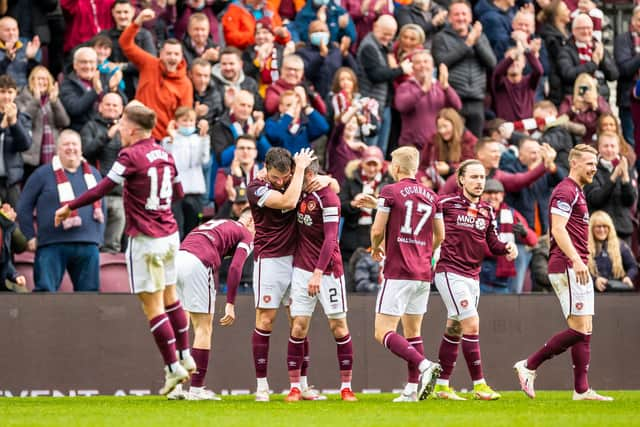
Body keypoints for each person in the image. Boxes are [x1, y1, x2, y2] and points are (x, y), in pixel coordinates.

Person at [54, 102, 195, 396]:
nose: (118, 129)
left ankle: (172, 368)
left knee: (153, 306)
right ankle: (185, 354)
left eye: (121, 124)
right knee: (172, 298)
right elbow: (180, 193)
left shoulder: (130, 155)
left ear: (131, 129)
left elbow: (104, 186)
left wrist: (70, 206)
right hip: (170, 235)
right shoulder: (166, 155)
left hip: (146, 239)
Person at [514, 144, 613, 401]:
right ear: (575, 164)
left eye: (595, 163)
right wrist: (577, 261)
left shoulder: (578, 192)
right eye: (590, 163)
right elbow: (557, 229)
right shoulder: (565, 190)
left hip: (576, 265)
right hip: (568, 265)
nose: (594, 168)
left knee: (585, 327)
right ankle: (529, 365)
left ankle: (581, 390)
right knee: (579, 330)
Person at [432, 159, 517, 400]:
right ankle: (479, 385)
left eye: (482, 177)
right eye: (474, 177)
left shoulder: (487, 210)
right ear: (461, 179)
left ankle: (442, 386)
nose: (479, 182)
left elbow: (494, 243)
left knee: (455, 328)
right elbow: (422, 218)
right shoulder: (445, 203)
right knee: (472, 324)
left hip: (473, 275)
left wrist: (508, 247)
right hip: (449, 271)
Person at [368, 146, 442, 402]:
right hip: (423, 272)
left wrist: (376, 247)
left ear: (396, 167)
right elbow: (440, 235)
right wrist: (422, 251)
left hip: (398, 270)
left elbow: (378, 230)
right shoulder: (433, 196)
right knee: (413, 332)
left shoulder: (389, 191)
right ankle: (412, 389)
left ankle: (424, 366)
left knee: (382, 331)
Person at [246, 147, 318, 402]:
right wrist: (298, 170)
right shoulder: (256, 187)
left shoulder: (293, 178)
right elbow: (287, 202)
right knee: (265, 321)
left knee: (299, 322)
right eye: (275, 177)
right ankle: (262, 386)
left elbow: (330, 184)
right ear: (265, 168)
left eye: (284, 177)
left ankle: (302, 385)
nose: (279, 182)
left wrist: (325, 179)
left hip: (297, 260)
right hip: (269, 261)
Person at [285, 159, 356, 402]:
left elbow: (330, 240)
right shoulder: (298, 192)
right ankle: (296, 387)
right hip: (301, 269)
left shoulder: (329, 199)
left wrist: (318, 272)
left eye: (299, 174)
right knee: (298, 327)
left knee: (339, 327)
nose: (294, 178)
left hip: (327, 272)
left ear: (311, 174)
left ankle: (346, 387)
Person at [169, 211, 255, 400]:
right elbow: (235, 267)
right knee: (203, 328)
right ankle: (196, 390)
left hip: (177, 260)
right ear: (249, 221)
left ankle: (176, 388)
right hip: (199, 263)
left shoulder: (218, 223)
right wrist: (230, 303)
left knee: (181, 328)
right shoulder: (246, 233)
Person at [17, 129, 104, 292]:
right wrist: (29, 235)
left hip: (88, 245)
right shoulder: (41, 174)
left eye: (74, 144)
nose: (71, 148)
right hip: (51, 244)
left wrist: (98, 236)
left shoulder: (94, 175)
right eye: (66, 144)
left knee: (89, 297)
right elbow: (24, 206)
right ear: (58, 149)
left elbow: (102, 205)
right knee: (45, 293)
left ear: (81, 148)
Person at [120, 8, 194, 141]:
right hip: (138, 135)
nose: (172, 57)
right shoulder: (149, 63)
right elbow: (125, 44)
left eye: (176, 54)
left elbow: (183, 116)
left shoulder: (186, 84)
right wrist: (138, 22)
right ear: (161, 54)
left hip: (164, 140)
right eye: (169, 53)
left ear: (182, 57)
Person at [432, 0, 497, 138]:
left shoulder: (480, 37)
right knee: (454, 141)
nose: (461, 18)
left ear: (471, 17)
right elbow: (442, 62)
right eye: (456, 14)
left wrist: (476, 40)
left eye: (464, 14)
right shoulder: (441, 38)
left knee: (474, 143)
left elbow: (491, 63)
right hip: (453, 98)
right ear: (450, 18)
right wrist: (468, 43)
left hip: (476, 99)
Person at [339, 145, 393, 287]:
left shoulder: (388, 183)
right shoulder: (351, 180)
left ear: (381, 165)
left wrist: (377, 204)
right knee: (348, 283)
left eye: (375, 165)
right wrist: (353, 204)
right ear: (362, 163)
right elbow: (339, 206)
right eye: (368, 164)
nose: (371, 169)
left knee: (372, 281)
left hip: (375, 236)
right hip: (352, 236)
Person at [357, 14, 411, 155]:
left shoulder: (384, 46)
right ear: (375, 27)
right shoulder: (369, 46)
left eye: (391, 35)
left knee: (382, 150)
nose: (388, 38)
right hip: (371, 107)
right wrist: (401, 70)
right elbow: (376, 75)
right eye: (385, 34)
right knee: (371, 150)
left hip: (384, 105)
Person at [80, 93, 126, 253]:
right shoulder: (90, 127)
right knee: (95, 241)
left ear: (121, 109)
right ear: (100, 107)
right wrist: (107, 136)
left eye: (115, 105)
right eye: (108, 104)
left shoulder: (127, 130)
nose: (111, 108)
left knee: (113, 245)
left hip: (120, 192)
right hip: (97, 191)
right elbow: (86, 152)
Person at [479, 179, 537, 294]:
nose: (492, 196)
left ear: (502, 195)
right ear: (481, 195)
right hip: (480, 274)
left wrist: (524, 233)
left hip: (503, 279)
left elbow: (533, 241)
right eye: (488, 193)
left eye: (496, 193)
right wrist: (501, 249)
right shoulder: (476, 212)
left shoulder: (511, 214)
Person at [395, 51, 461, 151]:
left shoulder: (440, 86)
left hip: (437, 145)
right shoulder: (405, 86)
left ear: (432, 66)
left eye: (426, 62)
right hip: (412, 146)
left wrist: (447, 87)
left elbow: (457, 106)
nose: (422, 65)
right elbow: (402, 106)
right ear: (412, 67)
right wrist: (423, 90)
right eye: (418, 62)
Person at [163, 106, 210, 240]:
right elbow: (170, 161)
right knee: (177, 226)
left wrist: (204, 139)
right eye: (184, 120)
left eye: (191, 121)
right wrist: (173, 138)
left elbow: (204, 160)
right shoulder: (168, 140)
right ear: (176, 122)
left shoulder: (198, 139)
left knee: (193, 227)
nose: (188, 124)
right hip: (176, 191)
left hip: (195, 190)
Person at [15, 66, 69, 180]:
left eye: (45, 79)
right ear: (31, 80)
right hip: (31, 154)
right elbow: (23, 120)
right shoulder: (22, 97)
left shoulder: (52, 98)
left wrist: (55, 102)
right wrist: (36, 100)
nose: (42, 81)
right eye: (38, 78)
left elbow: (64, 122)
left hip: (52, 152)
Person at [585, 132, 637, 244]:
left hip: (622, 230)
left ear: (618, 148)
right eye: (605, 146)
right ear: (599, 148)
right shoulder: (591, 169)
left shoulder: (627, 167)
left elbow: (630, 201)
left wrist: (625, 178)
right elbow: (596, 199)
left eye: (612, 146)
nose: (609, 150)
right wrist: (613, 177)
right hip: (599, 230)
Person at [557, 13, 619, 102]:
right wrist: (593, 64)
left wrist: (603, 59)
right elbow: (568, 74)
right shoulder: (565, 50)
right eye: (582, 28)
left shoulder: (598, 47)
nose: (586, 31)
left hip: (600, 101)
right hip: (577, 101)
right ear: (573, 31)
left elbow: (614, 75)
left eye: (589, 28)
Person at [296, 20, 359, 99]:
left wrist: (346, 54)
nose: (320, 33)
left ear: (328, 34)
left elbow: (354, 72)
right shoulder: (302, 53)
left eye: (322, 31)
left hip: (337, 98)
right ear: (309, 35)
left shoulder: (337, 51)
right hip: (315, 98)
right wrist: (321, 56)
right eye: (315, 31)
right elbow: (307, 74)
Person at [419, 108, 476, 191]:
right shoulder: (433, 140)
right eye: (439, 127)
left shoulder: (469, 141)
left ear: (455, 124)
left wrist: (450, 169)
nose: (442, 131)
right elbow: (423, 166)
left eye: (445, 126)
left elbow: (470, 166)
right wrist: (424, 179)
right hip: (435, 185)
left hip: (460, 187)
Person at [264, 89, 329, 155]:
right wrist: (288, 116)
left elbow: (323, 127)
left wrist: (305, 106)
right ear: (280, 107)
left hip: (303, 163)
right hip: (282, 163)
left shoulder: (305, 124)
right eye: (289, 105)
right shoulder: (272, 122)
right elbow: (275, 136)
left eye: (297, 104)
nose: (294, 108)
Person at [0, 74, 32, 207]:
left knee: (14, 225)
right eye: (2, 92)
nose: (6, 96)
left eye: (10, 92)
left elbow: (25, 145)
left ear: (15, 94)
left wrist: (14, 123)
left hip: (11, 182)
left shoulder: (23, 118)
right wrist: (2, 126)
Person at [491, 41, 543, 122]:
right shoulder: (500, 83)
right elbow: (497, 73)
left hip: (527, 129)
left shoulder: (529, 82)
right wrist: (514, 55)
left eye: (517, 59)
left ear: (524, 64)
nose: (513, 63)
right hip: (507, 130)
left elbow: (539, 71)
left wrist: (527, 51)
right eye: (510, 60)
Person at [588, 210, 637, 293]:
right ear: (591, 228)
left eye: (605, 226)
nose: (602, 229)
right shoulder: (584, 247)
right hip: (592, 292)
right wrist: (594, 280)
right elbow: (576, 271)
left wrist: (628, 277)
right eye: (598, 226)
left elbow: (633, 266)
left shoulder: (620, 246)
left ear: (610, 228)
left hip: (616, 292)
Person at [559, 73, 611, 145]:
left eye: (588, 88)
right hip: (573, 139)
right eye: (581, 88)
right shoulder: (569, 100)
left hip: (595, 138)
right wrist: (573, 109)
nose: (585, 91)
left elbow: (609, 117)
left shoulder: (599, 100)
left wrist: (595, 106)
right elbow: (560, 120)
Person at [613, 5, 640, 146]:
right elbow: (624, 69)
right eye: (639, 19)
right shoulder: (622, 40)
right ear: (632, 20)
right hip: (629, 101)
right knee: (631, 142)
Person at [538, 0, 572, 106]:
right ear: (557, 15)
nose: (569, 11)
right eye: (566, 9)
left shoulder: (566, 33)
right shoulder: (550, 37)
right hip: (556, 87)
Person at [0, 16, 41, 89]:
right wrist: (7, 59)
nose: (11, 33)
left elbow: (35, 76)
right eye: (7, 30)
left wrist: (31, 59)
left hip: (24, 92)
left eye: (14, 29)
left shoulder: (27, 47)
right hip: (4, 92)